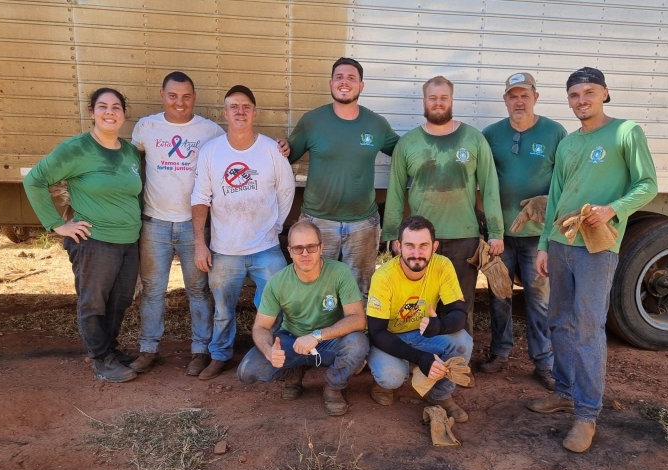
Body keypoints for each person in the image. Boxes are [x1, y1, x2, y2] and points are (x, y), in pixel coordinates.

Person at [528, 67, 658, 453]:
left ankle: (586, 416)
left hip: (597, 248)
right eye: (573, 95)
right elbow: (555, 197)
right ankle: (565, 391)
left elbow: (647, 184)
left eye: (588, 92)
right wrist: (542, 245)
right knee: (557, 321)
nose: (581, 100)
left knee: (588, 328)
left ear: (605, 93)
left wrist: (612, 209)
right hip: (561, 243)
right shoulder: (568, 144)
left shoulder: (625, 132)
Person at [23, 88, 143, 383]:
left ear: (124, 114)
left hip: (128, 241)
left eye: (116, 107)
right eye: (102, 106)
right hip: (95, 241)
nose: (110, 112)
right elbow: (35, 180)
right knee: (94, 301)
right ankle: (101, 359)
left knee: (120, 300)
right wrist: (57, 224)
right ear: (92, 112)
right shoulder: (76, 148)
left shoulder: (129, 151)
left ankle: (109, 350)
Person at [382, 75, 504, 336]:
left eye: (443, 98)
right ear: (424, 102)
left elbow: (491, 188)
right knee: (421, 307)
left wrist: (496, 233)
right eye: (433, 98)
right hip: (421, 243)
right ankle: (426, 361)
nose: (438, 103)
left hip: (464, 238)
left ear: (451, 101)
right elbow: (394, 192)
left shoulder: (473, 139)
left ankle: (460, 363)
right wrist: (393, 234)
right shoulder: (408, 143)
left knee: (461, 306)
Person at [191, 85, 295, 381]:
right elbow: (200, 198)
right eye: (233, 107)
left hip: (266, 248)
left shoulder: (271, 150)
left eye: (246, 106)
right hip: (225, 250)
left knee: (277, 305)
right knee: (223, 310)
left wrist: (276, 226)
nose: (240, 111)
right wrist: (201, 243)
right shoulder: (211, 151)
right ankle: (219, 355)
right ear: (225, 113)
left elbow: (286, 190)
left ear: (254, 112)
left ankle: (275, 354)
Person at [128, 72, 224, 376]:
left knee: (198, 290)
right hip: (154, 223)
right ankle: (148, 349)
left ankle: (200, 350)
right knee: (153, 291)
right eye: (173, 96)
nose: (179, 102)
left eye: (186, 96)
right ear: (162, 94)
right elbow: (128, 164)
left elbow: (233, 153)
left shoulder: (210, 131)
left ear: (194, 96)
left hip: (192, 226)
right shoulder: (146, 127)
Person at [478, 72, 567, 390]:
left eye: (524, 95)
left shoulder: (555, 132)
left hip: (537, 236)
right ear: (505, 100)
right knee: (499, 295)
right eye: (513, 95)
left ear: (536, 97)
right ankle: (500, 352)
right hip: (499, 235)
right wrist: (488, 226)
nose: (518, 101)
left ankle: (543, 361)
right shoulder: (491, 134)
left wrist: (547, 202)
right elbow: (480, 178)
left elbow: (565, 179)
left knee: (538, 298)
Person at [287, 57, 399, 297]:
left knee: (359, 292)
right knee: (314, 290)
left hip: (363, 225)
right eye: (339, 77)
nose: (344, 82)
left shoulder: (376, 124)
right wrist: (278, 146)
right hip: (318, 223)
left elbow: (403, 152)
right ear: (330, 83)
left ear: (361, 85)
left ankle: (355, 334)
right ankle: (315, 334)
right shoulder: (312, 121)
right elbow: (285, 156)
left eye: (351, 78)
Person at [237, 221, 369, 417]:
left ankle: (333, 386)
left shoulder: (340, 272)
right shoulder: (277, 282)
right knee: (248, 371)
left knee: (358, 344)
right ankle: (294, 369)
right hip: (292, 339)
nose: (305, 253)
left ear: (321, 247)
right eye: (298, 248)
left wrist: (317, 336)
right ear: (290, 251)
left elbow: (358, 319)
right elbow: (260, 327)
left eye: (311, 247)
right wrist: (268, 351)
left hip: (328, 341)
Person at [367, 215, 473, 422]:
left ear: (435, 246)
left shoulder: (442, 265)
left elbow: (460, 313)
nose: (417, 253)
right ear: (398, 247)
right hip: (389, 337)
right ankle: (385, 380)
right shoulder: (384, 277)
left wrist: (441, 325)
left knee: (463, 341)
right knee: (391, 377)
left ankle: (440, 395)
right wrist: (420, 358)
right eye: (410, 246)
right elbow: (377, 332)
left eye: (423, 245)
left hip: (420, 333)